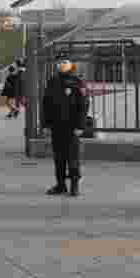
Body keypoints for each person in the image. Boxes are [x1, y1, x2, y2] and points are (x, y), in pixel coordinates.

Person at [41, 53, 89, 197]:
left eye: (65, 62)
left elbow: (84, 105)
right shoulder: (52, 81)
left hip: (72, 127)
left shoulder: (78, 82)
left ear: (71, 64)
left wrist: (80, 126)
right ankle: (61, 185)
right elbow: (46, 104)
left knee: (72, 157)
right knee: (59, 157)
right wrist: (46, 124)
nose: (62, 64)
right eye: (60, 62)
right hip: (56, 127)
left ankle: (74, 186)